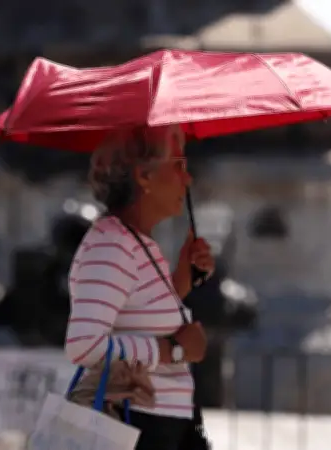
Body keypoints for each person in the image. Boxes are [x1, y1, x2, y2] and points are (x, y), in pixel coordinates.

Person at [64, 126, 215, 450]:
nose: (187, 180)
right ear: (143, 176)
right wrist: (174, 349)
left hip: (161, 425)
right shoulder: (111, 246)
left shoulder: (137, 244)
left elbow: (138, 318)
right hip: (133, 428)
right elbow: (84, 345)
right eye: (178, 166)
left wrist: (182, 280)